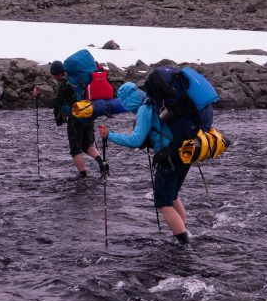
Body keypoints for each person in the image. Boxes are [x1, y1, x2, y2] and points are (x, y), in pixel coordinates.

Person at [98, 82, 190, 245]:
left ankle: (184, 245)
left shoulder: (144, 109)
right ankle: (183, 231)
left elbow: (135, 140)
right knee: (173, 196)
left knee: (163, 203)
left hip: (168, 157)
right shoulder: (153, 102)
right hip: (185, 152)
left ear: (127, 100)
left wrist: (109, 135)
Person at [34, 60, 106, 178]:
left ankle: (83, 175)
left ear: (56, 74)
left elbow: (55, 103)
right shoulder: (78, 79)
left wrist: (40, 96)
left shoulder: (64, 83)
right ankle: (102, 163)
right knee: (87, 145)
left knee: (75, 149)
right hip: (89, 114)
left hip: (75, 119)